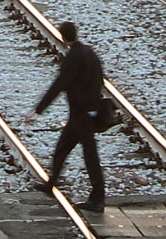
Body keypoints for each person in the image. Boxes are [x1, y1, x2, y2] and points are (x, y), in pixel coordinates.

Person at [25, 19, 108, 212]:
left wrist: (38, 110)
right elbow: (99, 79)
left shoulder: (74, 57)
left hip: (81, 114)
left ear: (62, 36)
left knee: (89, 155)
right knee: (63, 148)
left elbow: (59, 84)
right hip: (85, 112)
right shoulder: (89, 53)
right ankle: (51, 183)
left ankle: (98, 198)